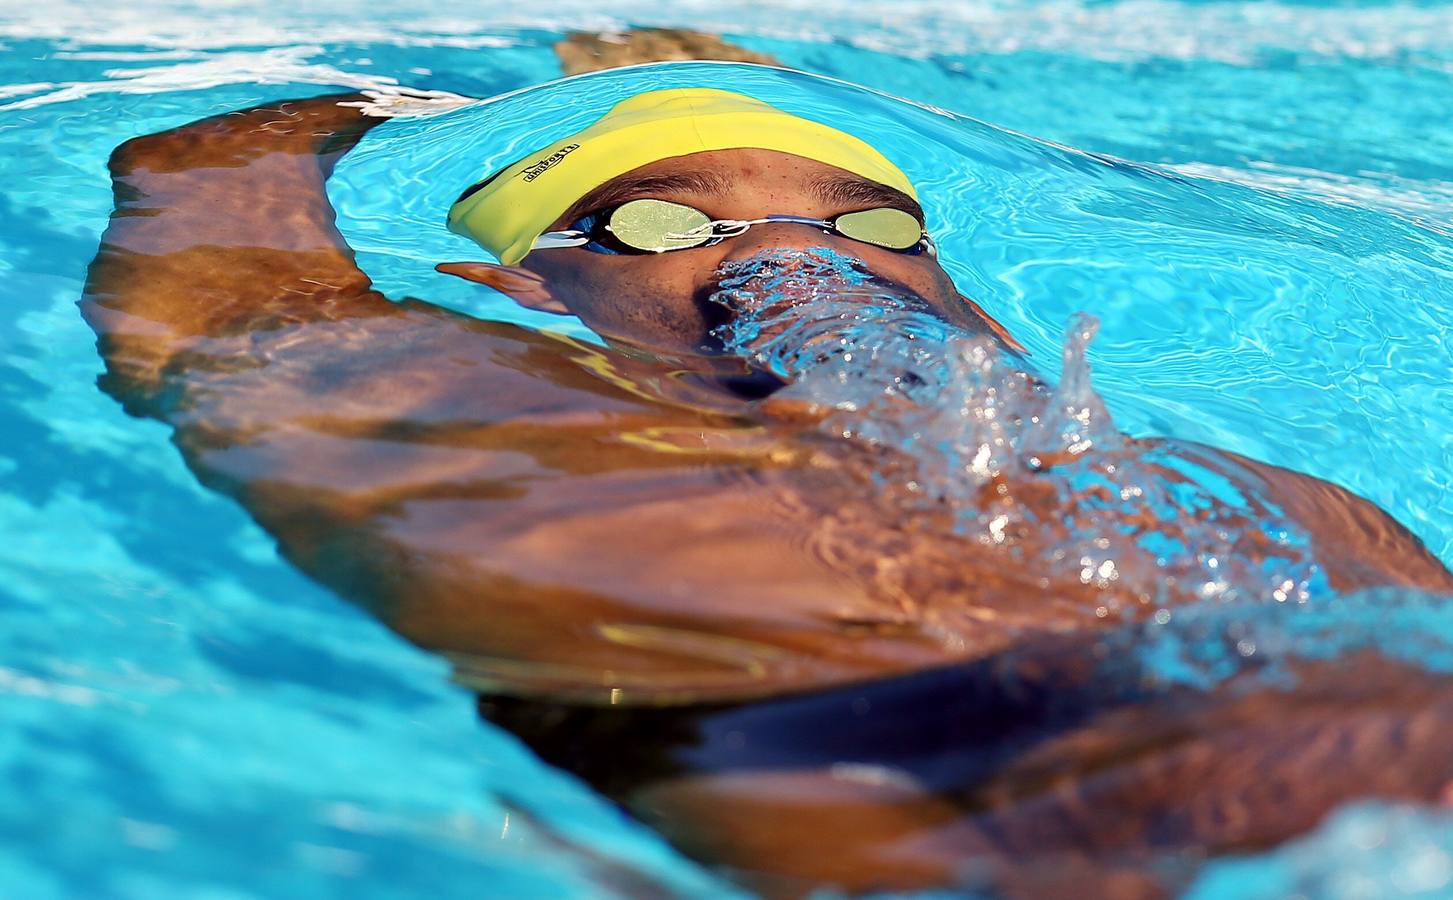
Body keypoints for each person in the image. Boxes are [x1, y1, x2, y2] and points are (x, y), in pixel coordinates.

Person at [82, 81, 1453, 897]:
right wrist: (283, 125)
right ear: (521, 286)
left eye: (874, 226)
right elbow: (207, 300)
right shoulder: (455, 391)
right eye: (665, 221)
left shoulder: (1286, 501)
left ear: (962, 301)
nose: (792, 250)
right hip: (854, 756)